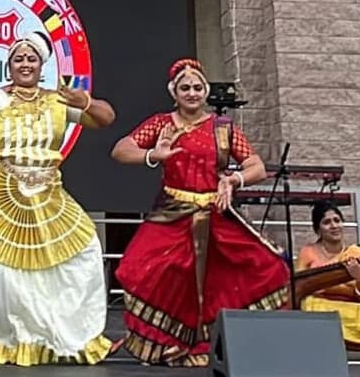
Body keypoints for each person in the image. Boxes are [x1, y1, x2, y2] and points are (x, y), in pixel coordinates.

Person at [0, 30, 116, 366]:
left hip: (47, 191)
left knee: (83, 254)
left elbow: (106, 119)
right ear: (9, 66)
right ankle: (16, 341)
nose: (25, 64)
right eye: (19, 59)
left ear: (41, 65)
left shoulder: (59, 100)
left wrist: (84, 101)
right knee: (8, 275)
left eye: (31, 58)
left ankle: (67, 336)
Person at [110, 58, 289, 366]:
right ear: (174, 92)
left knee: (251, 272)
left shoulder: (223, 128)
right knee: (137, 268)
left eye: (197, 87)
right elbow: (121, 149)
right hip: (172, 212)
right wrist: (154, 154)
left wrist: (233, 180)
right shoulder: (161, 124)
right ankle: (168, 341)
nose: (191, 93)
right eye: (185, 88)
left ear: (204, 91)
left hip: (214, 213)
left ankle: (208, 343)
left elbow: (256, 166)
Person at [294, 200, 360, 350]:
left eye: (337, 220)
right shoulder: (308, 252)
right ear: (318, 230)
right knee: (312, 305)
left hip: (350, 308)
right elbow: (298, 287)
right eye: (326, 222)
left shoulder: (355, 254)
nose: (334, 226)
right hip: (319, 307)